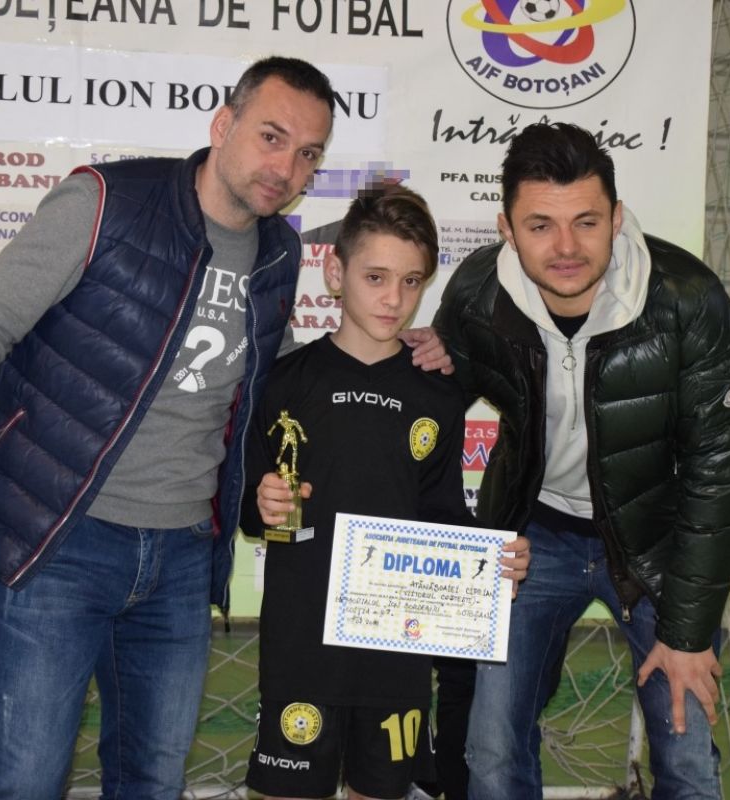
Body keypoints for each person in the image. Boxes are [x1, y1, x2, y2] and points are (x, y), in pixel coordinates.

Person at [0, 57, 449, 799]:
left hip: (185, 558)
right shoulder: (105, 203)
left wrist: (408, 348)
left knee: (154, 783)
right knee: (26, 780)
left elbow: (272, 369)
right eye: (271, 137)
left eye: (308, 154)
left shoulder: (279, 253)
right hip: (65, 541)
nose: (285, 168)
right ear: (223, 125)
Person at [433, 122, 730, 800]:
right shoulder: (477, 296)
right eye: (540, 225)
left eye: (586, 222)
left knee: (686, 752)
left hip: (656, 542)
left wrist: (688, 634)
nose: (566, 247)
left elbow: (722, 466)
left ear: (616, 217)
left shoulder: (686, 298)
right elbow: (425, 415)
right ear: (506, 228)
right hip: (531, 537)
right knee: (491, 749)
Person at [241, 186, 529, 800]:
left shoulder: (439, 394)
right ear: (335, 273)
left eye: (410, 281)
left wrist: (493, 561)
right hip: (301, 644)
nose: (393, 298)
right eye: (375, 277)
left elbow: (443, 517)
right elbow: (247, 507)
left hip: (396, 648)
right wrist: (261, 503)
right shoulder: (284, 382)